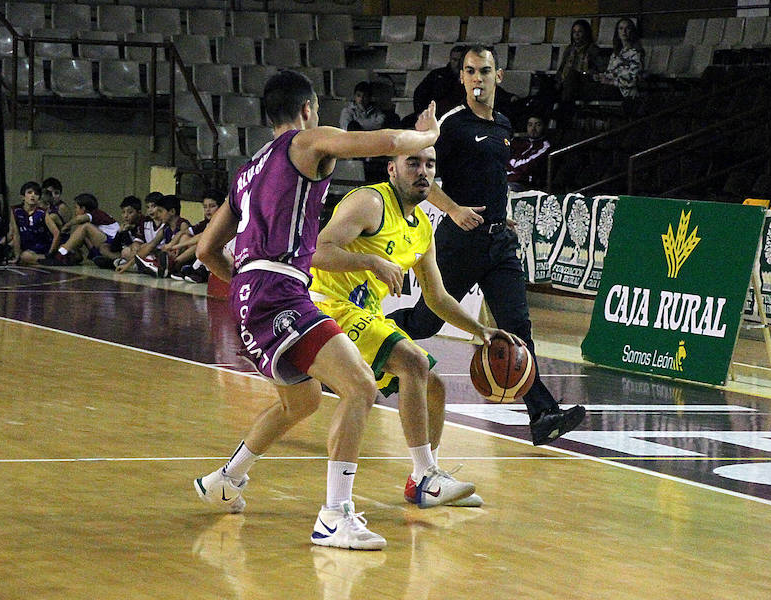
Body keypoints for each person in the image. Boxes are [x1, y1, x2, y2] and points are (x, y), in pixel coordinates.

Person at [192, 69, 439, 551]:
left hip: (249, 296)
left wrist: (245, 283)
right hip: (278, 290)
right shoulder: (306, 143)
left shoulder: (246, 171)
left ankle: (227, 478)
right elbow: (384, 142)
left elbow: (206, 250)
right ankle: (334, 515)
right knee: (360, 385)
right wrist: (428, 134)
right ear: (307, 110)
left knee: (301, 402)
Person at [386, 45, 586, 446]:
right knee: (426, 323)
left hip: (499, 242)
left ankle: (543, 414)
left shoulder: (504, 124)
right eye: (471, 71)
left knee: (517, 328)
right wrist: (455, 209)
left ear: (499, 76)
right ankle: (354, 343)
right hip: (459, 242)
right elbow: (419, 178)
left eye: (485, 71)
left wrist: (500, 212)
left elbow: (492, 177)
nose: (478, 78)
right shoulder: (451, 125)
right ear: (462, 78)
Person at [310, 147, 517, 508]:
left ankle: (423, 476)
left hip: (366, 313)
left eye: (430, 165)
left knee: (433, 387)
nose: (423, 172)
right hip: (328, 306)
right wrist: (371, 261)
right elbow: (317, 251)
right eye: (413, 163)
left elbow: (436, 297)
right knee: (413, 363)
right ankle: (425, 477)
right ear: (392, 169)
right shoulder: (370, 202)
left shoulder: (422, 228)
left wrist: (482, 331)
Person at [40, 193, 120, 266]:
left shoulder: (95, 213)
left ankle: (60, 255)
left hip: (112, 242)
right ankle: (77, 256)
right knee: (80, 234)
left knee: (85, 227)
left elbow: (79, 219)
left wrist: (67, 225)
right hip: (105, 241)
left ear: (83, 208)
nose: (75, 211)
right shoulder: (94, 217)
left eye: (76, 208)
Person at [165, 189, 224, 282]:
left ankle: (174, 264)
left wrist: (177, 246)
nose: (208, 210)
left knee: (201, 242)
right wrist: (172, 245)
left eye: (212, 206)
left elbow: (203, 236)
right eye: (205, 207)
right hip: (201, 256)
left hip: (220, 255)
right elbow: (184, 232)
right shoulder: (204, 223)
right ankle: (175, 265)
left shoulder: (223, 222)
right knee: (185, 236)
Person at [585, 18, 644, 100]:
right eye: (621, 28)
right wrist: (600, 77)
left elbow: (633, 79)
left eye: (627, 28)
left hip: (624, 91)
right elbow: (610, 72)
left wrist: (611, 82)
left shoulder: (636, 53)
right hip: (611, 86)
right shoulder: (616, 53)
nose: (624, 31)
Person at [554, 19, 606, 103]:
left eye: (580, 32)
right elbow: (562, 69)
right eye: (574, 32)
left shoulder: (593, 50)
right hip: (566, 83)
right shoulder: (569, 49)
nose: (576, 35)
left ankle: (563, 109)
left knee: (572, 74)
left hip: (584, 83)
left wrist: (588, 73)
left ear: (586, 33)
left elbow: (601, 69)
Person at [413, 45, 466, 117]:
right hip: (434, 115)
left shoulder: (471, 78)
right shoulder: (436, 74)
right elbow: (419, 94)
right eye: (454, 60)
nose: (457, 64)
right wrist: (421, 112)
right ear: (450, 59)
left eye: (460, 60)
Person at [11, 181, 52, 265]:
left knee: (26, 256)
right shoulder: (15, 210)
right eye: (29, 192)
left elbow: (56, 233)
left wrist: (50, 253)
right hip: (26, 246)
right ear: (22, 196)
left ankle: (49, 259)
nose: (33, 195)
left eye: (36, 194)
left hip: (41, 246)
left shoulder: (42, 212)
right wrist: (17, 256)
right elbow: (16, 234)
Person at [507, 115, 552, 192]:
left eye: (537, 125)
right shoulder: (518, 142)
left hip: (524, 183)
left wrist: (510, 170)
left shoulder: (544, 145)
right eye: (530, 125)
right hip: (507, 179)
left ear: (543, 127)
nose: (533, 128)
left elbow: (528, 165)